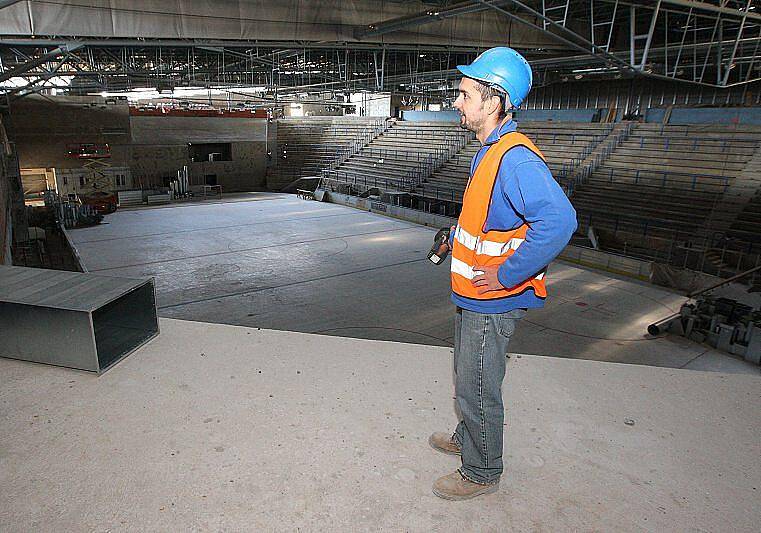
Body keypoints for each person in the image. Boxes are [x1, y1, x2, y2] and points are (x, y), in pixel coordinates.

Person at [429, 47, 577, 500]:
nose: (456, 102)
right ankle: (468, 437)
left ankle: (481, 470)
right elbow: (492, 217)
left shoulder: (515, 159)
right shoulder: (490, 151)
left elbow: (559, 221)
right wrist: (457, 234)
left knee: (478, 384)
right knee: (467, 374)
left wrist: (510, 274)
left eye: (464, 94)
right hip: (473, 293)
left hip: (493, 298)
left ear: (492, 102)